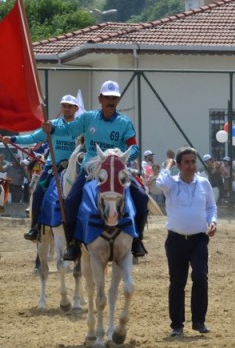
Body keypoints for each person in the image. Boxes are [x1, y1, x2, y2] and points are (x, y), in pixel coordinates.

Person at [44, 81, 149, 260]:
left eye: (114, 98)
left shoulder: (125, 123)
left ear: (118, 100)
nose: (110, 101)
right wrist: (52, 128)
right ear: (100, 99)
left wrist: (121, 159)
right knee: (70, 202)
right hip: (91, 169)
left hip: (117, 170)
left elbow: (135, 148)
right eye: (107, 98)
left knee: (141, 196)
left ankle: (137, 240)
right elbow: (69, 128)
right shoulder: (88, 118)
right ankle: (73, 244)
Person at [156, 146, 218, 337]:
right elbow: (159, 182)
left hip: (199, 238)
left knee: (200, 277)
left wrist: (213, 222)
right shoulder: (171, 184)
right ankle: (177, 325)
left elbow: (211, 207)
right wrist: (168, 164)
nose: (191, 166)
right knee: (177, 282)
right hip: (175, 240)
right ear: (179, 165)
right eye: (186, 162)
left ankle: (199, 321)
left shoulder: (204, 183)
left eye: (193, 162)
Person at [2, 94, 79, 241]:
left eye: (70, 106)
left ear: (76, 108)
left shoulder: (81, 126)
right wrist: (12, 139)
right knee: (38, 193)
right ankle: (35, 228)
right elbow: (33, 138)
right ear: (61, 107)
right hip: (54, 166)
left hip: (75, 166)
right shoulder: (51, 125)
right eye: (64, 106)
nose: (67, 109)